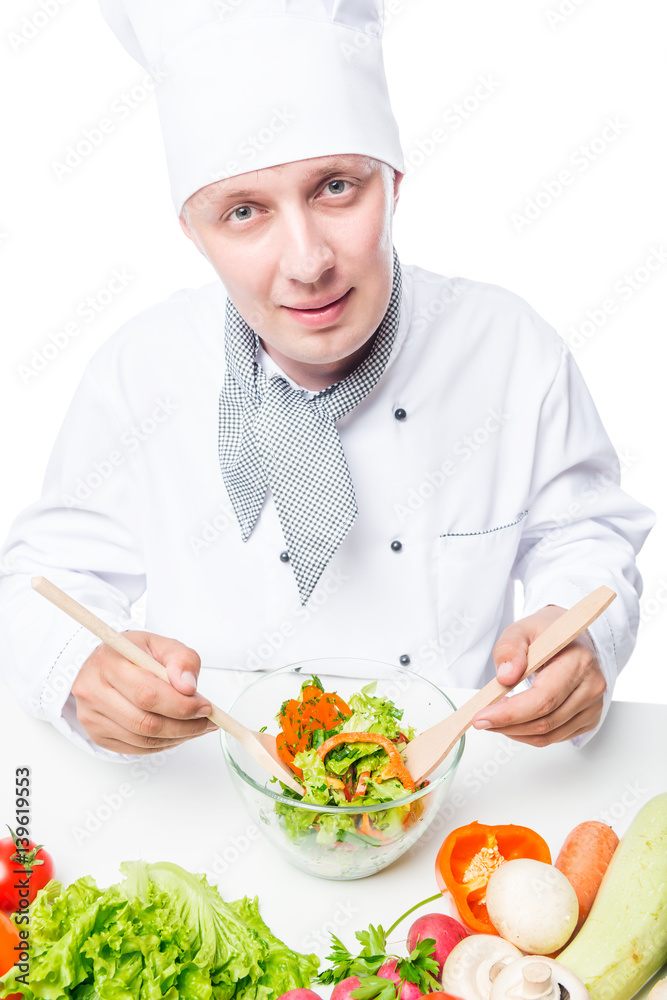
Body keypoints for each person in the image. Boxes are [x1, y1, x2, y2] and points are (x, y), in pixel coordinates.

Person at [0, 1, 653, 761]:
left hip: (454, 787)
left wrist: (579, 635)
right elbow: (41, 581)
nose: (308, 262)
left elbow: (584, 534)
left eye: (337, 188)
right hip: (211, 791)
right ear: (192, 232)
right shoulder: (140, 369)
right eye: (243, 212)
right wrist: (75, 666)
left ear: (394, 180)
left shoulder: (509, 348)